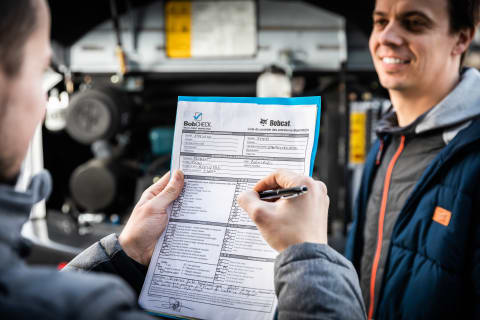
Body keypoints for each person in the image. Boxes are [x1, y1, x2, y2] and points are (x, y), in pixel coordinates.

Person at [0, 0, 366, 319]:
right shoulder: (88, 307)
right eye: (40, 73)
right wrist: (309, 255)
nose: (44, 103)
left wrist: (125, 253)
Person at [344, 0, 480, 319]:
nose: (386, 37)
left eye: (414, 22)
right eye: (380, 22)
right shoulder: (384, 146)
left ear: (461, 38)